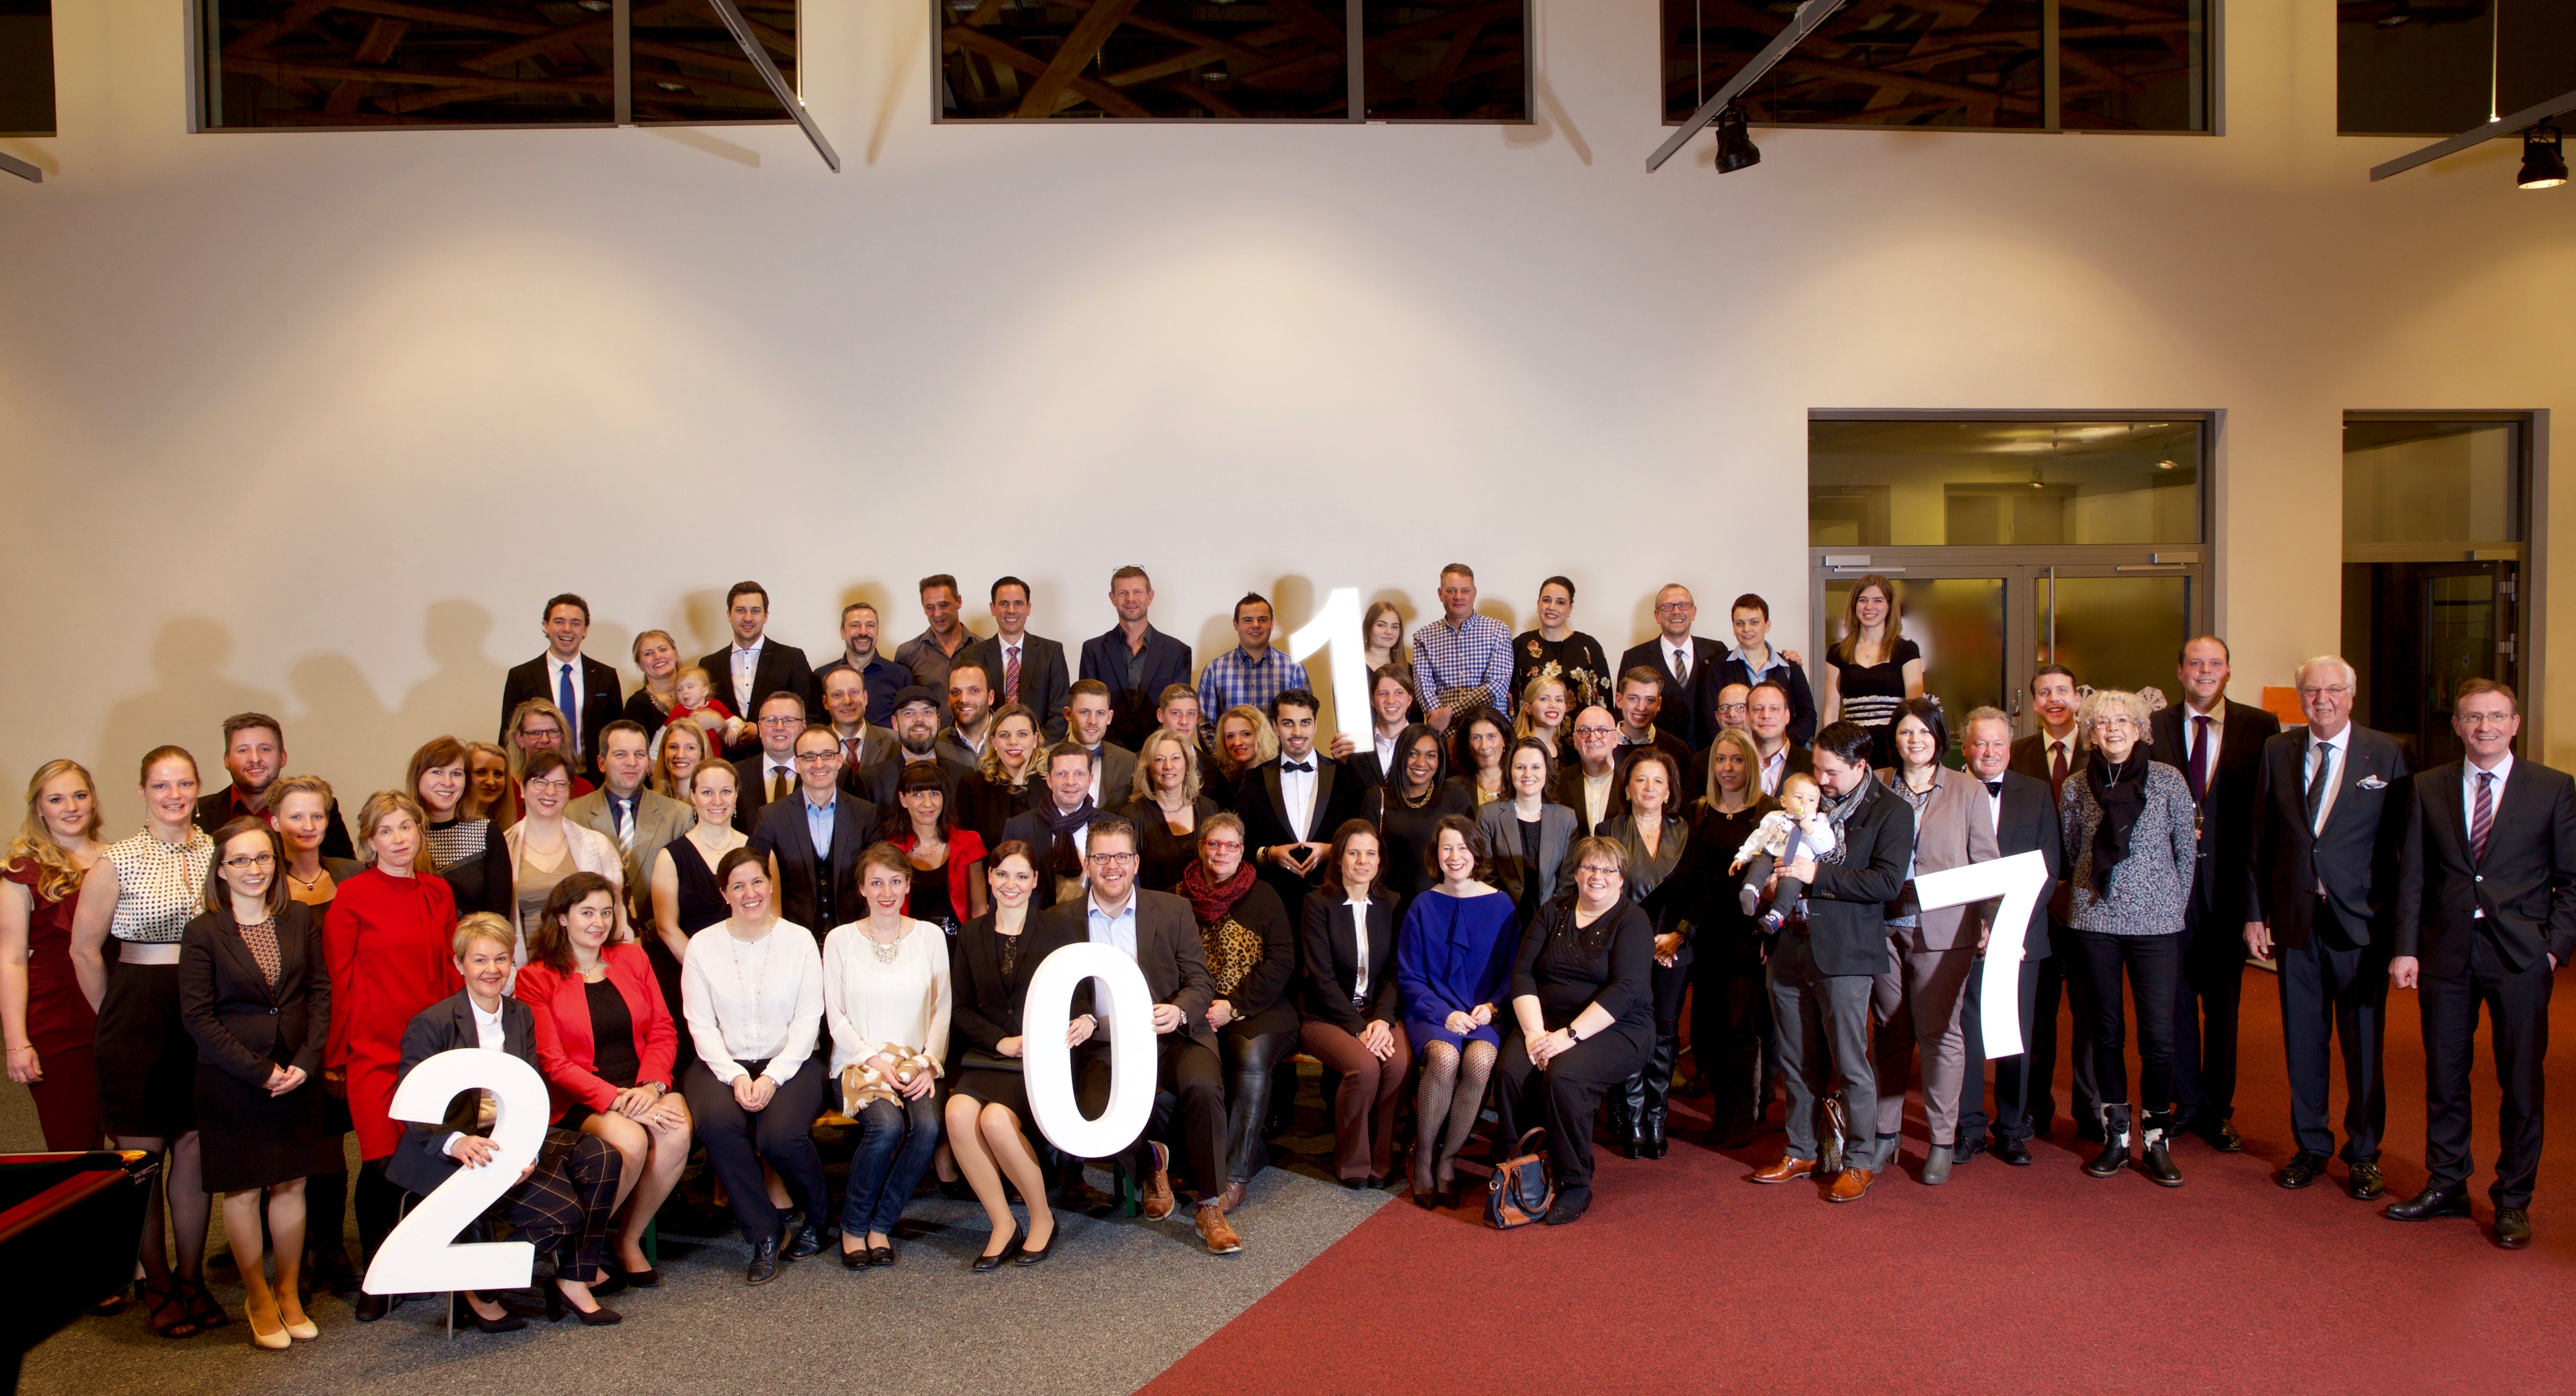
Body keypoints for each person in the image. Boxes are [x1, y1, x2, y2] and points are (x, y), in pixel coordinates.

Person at [2386, 679, 2576, 1248]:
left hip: (2520, 955)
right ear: (2457, 725)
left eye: (2495, 717)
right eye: (2473, 717)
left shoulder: (2553, 787)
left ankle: (2513, 1199)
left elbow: (2571, 878)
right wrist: (2405, 947)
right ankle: (2447, 1183)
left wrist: (2553, 947)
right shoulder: (2427, 786)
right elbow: (2412, 874)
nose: (2484, 727)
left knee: (2520, 1081)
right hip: (2445, 952)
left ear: (2514, 724)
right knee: (2444, 1077)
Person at [389, 914, 624, 1330]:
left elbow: (529, 1089)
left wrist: (527, 1146)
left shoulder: (519, 1014)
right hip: (455, 1146)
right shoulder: (433, 1023)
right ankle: (477, 1288)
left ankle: (573, 1279)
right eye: (479, 960)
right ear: (459, 963)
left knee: (602, 1155)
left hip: (507, 1134)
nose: (492, 969)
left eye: (501, 958)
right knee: (562, 1215)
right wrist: (456, 1142)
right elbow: (413, 1106)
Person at [2245, 655, 2409, 1198]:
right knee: (2302, 1040)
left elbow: (2404, 849)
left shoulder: (2387, 752)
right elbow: (2260, 840)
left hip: (2360, 924)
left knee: (2362, 1045)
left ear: (2351, 695)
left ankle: (2363, 1154)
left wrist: (2402, 932)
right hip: (2296, 921)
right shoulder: (2278, 750)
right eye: (2312, 691)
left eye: (2333, 690)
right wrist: (2254, 912)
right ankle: (2311, 1146)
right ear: (2301, 698)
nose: (2322, 700)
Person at [69, 747, 220, 1337]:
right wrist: (111, 1016)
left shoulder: (218, 851)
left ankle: (192, 1278)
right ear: (142, 792)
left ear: (198, 787)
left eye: (183, 783)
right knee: (143, 1159)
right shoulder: (118, 859)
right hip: (137, 1012)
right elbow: (84, 949)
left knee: (194, 1149)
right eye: (161, 785)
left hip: (204, 1011)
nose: (173, 795)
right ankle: (157, 1283)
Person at [1043, 818, 1241, 1254]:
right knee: (1094, 1112)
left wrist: (1179, 1010)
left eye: (1121, 856)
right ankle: (1152, 1161)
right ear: (1086, 864)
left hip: (1171, 1036)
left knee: (1203, 1086)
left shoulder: (1172, 909)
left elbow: (1200, 981)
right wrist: (1083, 1016)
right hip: (1105, 1044)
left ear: (1135, 862)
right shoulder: (1059, 920)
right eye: (1101, 857)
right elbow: (1057, 990)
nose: (1111, 866)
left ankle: (1209, 1206)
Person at [179, 818, 333, 1347]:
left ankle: (287, 1291)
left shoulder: (298, 919)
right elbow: (198, 1017)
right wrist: (259, 1070)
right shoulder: (203, 931)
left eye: (263, 857)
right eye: (240, 860)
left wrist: (307, 1060)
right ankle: (258, 1297)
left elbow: (320, 993)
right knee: (244, 1190)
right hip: (233, 1078)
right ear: (221, 869)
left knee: (291, 1184)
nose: (254, 868)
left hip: (297, 1072)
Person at [1750, 721, 1912, 1203]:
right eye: (1817, 768)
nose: (1820, 780)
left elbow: (1886, 883)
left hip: (1845, 951)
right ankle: (1801, 1150)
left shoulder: (1891, 810)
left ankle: (1859, 1160)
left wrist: (1816, 874)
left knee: (1850, 1060)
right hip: (1789, 944)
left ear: (1860, 766)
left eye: (1831, 772)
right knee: (1796, 1058)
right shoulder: (1799, 800)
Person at [319, 790, 461, 1322]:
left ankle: (418, 1262)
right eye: (386, 830)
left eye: (406, 827)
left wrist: (463, 1037)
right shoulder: (352, 895)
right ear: (369, 841)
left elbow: (451, 969)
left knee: (431, 1156)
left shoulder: (438, 890)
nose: (399, 839)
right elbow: (338, 978)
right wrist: (336, 1055)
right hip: (374, 1049)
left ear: (420, 832)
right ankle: (378, 1277)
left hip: (432, 1046)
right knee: (381, 1162)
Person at [515, 872, 689, 1285]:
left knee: (678, 1130)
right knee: (630, 1141)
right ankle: (582, 1253)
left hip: (644, 1084)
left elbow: (663, 1029)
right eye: (587, 912)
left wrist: (651, 1086)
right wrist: (616, 1099)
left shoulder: (632, 957)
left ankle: (626, 1240)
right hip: (581, 1095)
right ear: (562, 917)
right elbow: (553, 1062)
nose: (598, 922)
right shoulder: (535, 977)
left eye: (606, 912)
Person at [2061, 689, 2198, 1186]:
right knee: (2105, 1033)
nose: (2113, 728)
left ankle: (2156, 1139)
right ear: (2090, 734)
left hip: (2156, 924)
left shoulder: (2167, 780)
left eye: (2123, 720)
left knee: (2158, 1037)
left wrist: (2171, 904)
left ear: (2140, 729)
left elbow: (2185, 851)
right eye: (2102, 722)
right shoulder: (2076, 786)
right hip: (2095, 920)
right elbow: (2072, 848)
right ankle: (2116, 1136)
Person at [2148, 636, 2278, 1153]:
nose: (2205, 671)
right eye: (2195, 663)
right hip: (2169, 887)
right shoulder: (2154, 726)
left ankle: (2218, 1109)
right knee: (2175, 1002)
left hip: (2228, 887)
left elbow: (2266, 814)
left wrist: (2259, 902)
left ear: (2228, 671)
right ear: (2180, 671)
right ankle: (2185, 1103)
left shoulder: (2260, 727)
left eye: (2215, 663)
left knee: (2224, 1006)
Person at [681, 849, 830, 1283]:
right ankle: (765, 1232)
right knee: (717, 1124)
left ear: (770, 884)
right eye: (738, 885)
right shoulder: (702, 945)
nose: (750, 893)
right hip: (720, 1061)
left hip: (792, 1060)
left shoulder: (799, 940)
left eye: (757, 882)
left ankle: (820, 1217)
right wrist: (734, 1075)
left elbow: (808, 1020)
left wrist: (772, 1076)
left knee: (779, 1137)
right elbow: (700, 1023)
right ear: (724, 893)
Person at [1868, 698, 1996, 1185]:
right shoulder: (1875, 782)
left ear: (1939, 737)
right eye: (1906, 732)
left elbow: (1986, 862)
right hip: (1881, 927)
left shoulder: (1967, 789)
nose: (1915, 740)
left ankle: (1942, 1139)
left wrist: (1992, 920)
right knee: (1889, 1030)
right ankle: (1885, 1134)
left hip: (1944, 929)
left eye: (1924, 731)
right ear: (1894, 739)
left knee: (1939, 1033)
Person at [1495, 836, 1654, 1226]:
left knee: (1564, 1077)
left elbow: (1625, 990)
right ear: (1577, 872)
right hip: (1545, 1021)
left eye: (1607, 869)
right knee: (1511, 1071)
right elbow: (1523, 972)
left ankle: (1575, 1179)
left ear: (1621, 878)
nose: (1597, 876)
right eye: (1589, 867)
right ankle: (1524, 1168)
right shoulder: (1553, 910)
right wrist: (1534, 1034)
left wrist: (1567, 1037)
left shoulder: (1632, 920)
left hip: (1616, 1026)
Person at [946, 842, 1080, 1268]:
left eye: (1022, 876)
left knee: (996, 1121)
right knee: (956, 1113)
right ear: (989, 877)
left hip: (1038, 1058)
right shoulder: (971, 934)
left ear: (1035, 881)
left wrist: (1082, 1022)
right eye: (1002, 874)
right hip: (990, 1055)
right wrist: (998, 1041)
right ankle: (1003, 1223)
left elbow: (1080, 997)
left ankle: (1042, 1218)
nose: (1011, 884)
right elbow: (960, 1009)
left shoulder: (1058, 929)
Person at [823, 845, 951, 1267]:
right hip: (858, 1062)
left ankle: (880, 1225)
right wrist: (873, 1060)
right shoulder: (839, 940)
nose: (886, 892)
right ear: (862, 888)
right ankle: (853, 1227)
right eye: (876, 882)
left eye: (896, 881)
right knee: (886, 1126)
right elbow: (836, 1015)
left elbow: (942, 1009)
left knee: (927, 1127)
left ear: (908, 885)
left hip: (916, 1063)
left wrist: (928, 1062)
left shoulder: (930, 936)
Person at [1954, 707, 2064, 1168]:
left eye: (1998, 743)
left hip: (2021, 935)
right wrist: (1975, 925)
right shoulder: (1948, 789)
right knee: (1966, 1037)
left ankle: (2013, 1128)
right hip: (1961, 933)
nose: (1989, 752)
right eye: (1980, 743)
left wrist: (2008, 926)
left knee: (2015, 1034)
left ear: (2010, 747)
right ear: (1965, 747)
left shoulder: (2036, 792)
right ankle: (1967, 1128)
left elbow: (2048, 867)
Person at [1175, 813, 1298, 1213]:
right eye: (1213, 843)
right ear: (1201, 847)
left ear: (1242, 850)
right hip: (1196, 1008)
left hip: (1259, 1007)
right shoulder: (1176, 896)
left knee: (1249, 1058)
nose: (1221, 852)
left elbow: (1282, 960)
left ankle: (1234, 1174)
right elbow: (1165, 958)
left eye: (1231, 845)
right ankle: (1192, 1161)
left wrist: (1234, 1005)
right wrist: (1194, 1005)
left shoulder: (1264, 895)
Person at [1395, 818, 1518, 1208]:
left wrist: (1493, 1006)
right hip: (1430, 1011)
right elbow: (1409, 976)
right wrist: (1443, 1013)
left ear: (1477, 852)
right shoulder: (1422, 904)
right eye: (1446, 847)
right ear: (1435, 854)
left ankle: (1449, 1158)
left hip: (1484, 1013)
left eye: (1463, 847)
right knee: (1446, 1057)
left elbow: (1513, 971)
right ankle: (1424, 1156)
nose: (1455, 856)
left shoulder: (1502, 905)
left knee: (1480, 1060)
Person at [2009, 663, 2096, 1141]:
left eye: (2062, 690)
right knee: (2036, 1013)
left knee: (2090, 1013)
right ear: (2034, 702)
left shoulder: (2101, 748)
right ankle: (2032, 1107)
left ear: (2078, 696)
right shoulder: (2017, 753)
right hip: (2035, 903)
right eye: (2044, 692)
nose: (2054, 699)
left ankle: (2090, 1109)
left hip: (2089, 901)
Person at [3, 760, 107, 1153]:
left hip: (120, 1009)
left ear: (93, 800)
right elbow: (11, 960)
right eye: (56, 799)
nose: (71, 807)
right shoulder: (22, 871)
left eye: (80, 795)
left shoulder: (120, 858)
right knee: (75, 1145)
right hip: (59, 1017)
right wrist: (16, 1043)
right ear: (38, 808)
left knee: (138, 1143)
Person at [1298, 822, 1408, 1189]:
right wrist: (1360, 1028)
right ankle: (1352, 1162)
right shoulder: (1318, 903)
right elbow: (1321, 978)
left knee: (1397, 1064)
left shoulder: (1392, 902)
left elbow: (1393, 972)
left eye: (1370, 853)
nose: (1363, 860)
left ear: (1380, 861)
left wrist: (1382, 1019)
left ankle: (1381, 1161)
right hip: (1325, 1014)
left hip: (1375, 1012)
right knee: (1364, 1067)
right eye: (1353, 852)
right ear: (1339, 859)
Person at [1599, 748, 1692, 1160]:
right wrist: (1641, 941)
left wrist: (1679, 935)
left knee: (1666, 1033)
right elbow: (1600, 893)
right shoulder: (1608, 829)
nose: (1649, 787)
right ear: (1627, 787)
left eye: (1658, 780)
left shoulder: (1687, 830)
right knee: (1628, 1029)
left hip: (1675, 948)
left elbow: (1698, 890)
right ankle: (1631, 1119)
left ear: (1669, 789)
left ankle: (1656, 1117)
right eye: (1640, 779)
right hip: (1626, 947)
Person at [1684, 727, 1774, 1149]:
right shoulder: (1699, 811)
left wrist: (1769, 934)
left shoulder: (1767, 813)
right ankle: (1722, 1112)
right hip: (1707, 937)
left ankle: (1744, 1115)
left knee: (1739, 1026)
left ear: (1750, 765)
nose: (1727, 767)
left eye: (1737, 759)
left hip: (1747, 936)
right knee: (1707, 1030)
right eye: (1721, 759)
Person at [648, 760, 750, 1075]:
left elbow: (772, 921)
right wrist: (708, 975)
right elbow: (666, 927)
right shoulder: (671, 856)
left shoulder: (758, 850)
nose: (717, 801)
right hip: (693, 976)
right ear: (692, 796)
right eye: (707, 792)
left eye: (725, 791)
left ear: (736, 795)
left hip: (751, 977)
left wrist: (744, 975)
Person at [749, 724, 878, 943]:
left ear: (839, 760)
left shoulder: (867, 814)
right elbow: (758, 881)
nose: (819, 764)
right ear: (797, 764)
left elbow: (877, 879)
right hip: (792, 941)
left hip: (856, 938)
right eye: (809, 757)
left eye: (827, 755)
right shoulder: (770, 817)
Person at [1238, 691, 1360, 915]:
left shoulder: (1344, 775)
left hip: (1332, 898)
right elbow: (1241, 843)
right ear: (1275, 727)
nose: (1297, 732)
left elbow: (1361, 835)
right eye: (1288, 723)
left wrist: (1332, 850)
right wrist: (1270, 854)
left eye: (1305, 723)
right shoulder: (1254, 779)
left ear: (1315, 725)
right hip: (1274, 902)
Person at [567, 720, 695, 931]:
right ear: (601, 762)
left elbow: (688, 892)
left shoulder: (679, 816)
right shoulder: (572, 814)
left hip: (658, 938)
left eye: (639, 754)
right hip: (591, 938)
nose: (632, 762)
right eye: (621, 754)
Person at [507, 749, 627, 955]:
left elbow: (620, 918)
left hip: (586, 966)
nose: (551, 791)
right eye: (540, 782)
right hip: (526, 966)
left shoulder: (597, 845)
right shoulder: (504, 847)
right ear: (523, 789)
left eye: (560, 784)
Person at [191, 713, 355, 859]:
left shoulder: (320, 808)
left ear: (283, 758)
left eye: (265, 749)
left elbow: (344, 873)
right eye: (243, 750)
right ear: (226, 761)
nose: (255, 759)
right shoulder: (196, 813)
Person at [499, 594, 624, 778]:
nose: (567, 629)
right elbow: (508, 737)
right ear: (546, 626)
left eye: (575, 623)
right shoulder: (521, 676)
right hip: (538, 777)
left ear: (585, 630)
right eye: (559, 622)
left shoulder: (606, 676)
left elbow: (618, 735)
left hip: (595, 779)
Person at [1081, 567, 1194, 750]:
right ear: (1112, 598)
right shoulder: (1093, 650)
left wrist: (1156, 748)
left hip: (1159, 752)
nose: (1131, 599)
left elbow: (1178, 710)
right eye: (1123, 593)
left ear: (1150, 597)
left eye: (1138, 592)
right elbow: (1088, 708)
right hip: (1108, 753)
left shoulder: (1178, 652)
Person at [701, 580, 818, 754]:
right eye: (741, 610)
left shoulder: (792, 658)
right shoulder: (709, 665)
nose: (748, 618)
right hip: (725, 763)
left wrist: (765, 729)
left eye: (755, 611)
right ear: (729, 615)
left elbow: (812, 717)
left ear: (765, 616)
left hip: (779, 760)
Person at [1818, 575, 1922, 769]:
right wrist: (1830, 752)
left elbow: (1915, 710)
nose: (1869, 607)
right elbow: (1831, 712)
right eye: (1863, 600)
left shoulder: (1906, 650)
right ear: (1854, 605)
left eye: (1878, 601)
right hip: (1853, 749)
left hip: (1894, 748)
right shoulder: (1837, 653)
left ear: (1889, 607)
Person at [1365, 724, 1476, 906]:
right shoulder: (1377, 798)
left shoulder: (1455, 795)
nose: (1421, 763)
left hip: (1446, 902)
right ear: (1401, 755)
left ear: (1440, 760)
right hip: (1390, 905)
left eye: (1431, 756)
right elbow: (1366, 856)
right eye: (1413, 754)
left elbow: (1470, 854)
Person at [409, 737, 514, 921]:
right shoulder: (402, 834)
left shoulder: (486, 834)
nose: (448, 782)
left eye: (456, 774)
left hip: (473, 939)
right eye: (437, 772)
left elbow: (498, 918)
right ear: (417, 777)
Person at [1001, 743, 1112, 910]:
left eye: (1079, 774)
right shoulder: (1019, 828)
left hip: (1096, 923)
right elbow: (1003, 891)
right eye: (1061, 774)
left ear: (1090, 779)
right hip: (1036, 923)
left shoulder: (1114, 827)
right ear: (1049, 780)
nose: (1071, 782)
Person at [1619, 584, 1726, 750]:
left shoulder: (1717, 652)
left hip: (1710, 755)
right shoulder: (1634, 658)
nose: (1676, 612)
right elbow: (1624, 716)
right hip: (1654, 756)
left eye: (1683, 605)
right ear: (1657, 615)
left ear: (1693, 612)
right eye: (1668, 607)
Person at [884, 760, 988, 930]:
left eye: (934, 794)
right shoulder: (892, 851)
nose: (927, 803)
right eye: (917, 795)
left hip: (959, 942)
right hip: (909, 941)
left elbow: (979, 911)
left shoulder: (969, 843)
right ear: (903, 799)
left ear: (944, 797)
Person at [963, 577, 1070, 739]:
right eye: (1004, 604)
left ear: (1028, 608)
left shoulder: (1051, 652)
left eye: (1018, 603)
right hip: (988, 749)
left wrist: (1034, 747)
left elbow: (1060, 714)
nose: (1011, 610)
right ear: (993, 608)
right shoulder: (973, 656)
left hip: (1040, 749)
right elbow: (969, 712)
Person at [1479, 737, 1574, 919]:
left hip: (1551, 917)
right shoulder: (1488, 815)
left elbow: (1567, 882)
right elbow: (1485, 875)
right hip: (1501, 916)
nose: (1528, 774)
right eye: (1520, 767)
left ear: (1547, 771)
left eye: (1536, 767)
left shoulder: (1567, 818)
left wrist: (1552, 919)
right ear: (1510, 771)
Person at [1410, 563, 1513, 732]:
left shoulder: (1498, 631)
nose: (1458, 597)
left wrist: (1450, 713)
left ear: (1474, 593)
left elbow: (1496, 687)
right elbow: (1425, 690)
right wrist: (1443, 723)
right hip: (1445, 732)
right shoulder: (1423, 637)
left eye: (1465, 591)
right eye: (1451, 591)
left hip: (1492, 729)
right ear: (1440, 594)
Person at [1121, 727, 1218, 893]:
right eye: (1159, 760)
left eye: (1176, 758)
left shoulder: (1210, 808)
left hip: (1209, 905)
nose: (1168, 766)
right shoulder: (1131, 817)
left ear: (1187, 765)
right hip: (1157, 907)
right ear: (1148, 768)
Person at [1714, 593, 1816, 747]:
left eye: (1754, 622)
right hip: (1736, 753)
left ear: (1767, 625)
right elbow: (1711, 717)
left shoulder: (1789, 666)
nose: (1747, 629)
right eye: (1740, 623)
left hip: (1785, 754)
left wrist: (1782, 748)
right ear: (1734, 628)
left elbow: (1807, 715)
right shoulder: (1719, 667)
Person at [856, 684, 978, 811]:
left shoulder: (963, 776)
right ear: (895, 723)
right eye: (909, 713)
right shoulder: (872, 782)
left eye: (927, 712)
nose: (919, 719)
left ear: (938, 721)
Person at [1734, 773, 1831, 930]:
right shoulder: (1774, 817)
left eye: (1811, 800)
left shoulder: (1819, 822)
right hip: (1771, 854)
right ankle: (1751, 891)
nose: (1804, 803)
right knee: (1759, 863)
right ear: (1784, 801)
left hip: (1795, 866)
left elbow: (1827, 846)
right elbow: (1758, 837)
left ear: (1817, 806)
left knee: (1790, 886)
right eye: (1798, 797)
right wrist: (1742, 857)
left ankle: (1777, 915)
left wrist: (1811, 831)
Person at [1197, 593, 1311, 724]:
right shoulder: (1214, 670)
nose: (1256, 625)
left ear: (1272, 623)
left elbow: (1303, 724)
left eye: (1262, 620)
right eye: (1248, 620)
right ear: (1236, 624)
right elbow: (1206, 725)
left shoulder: (1294, 669)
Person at [1509, 575, 1610, 716]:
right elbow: (1510, 700)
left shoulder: (1589, 647)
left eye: (1560, 602)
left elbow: (1604, 703)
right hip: (1530, 729)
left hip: (1580, 730)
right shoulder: (1520, 646)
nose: (1552, 607)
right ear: (1538, 605)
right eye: (1547, 600)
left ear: (1570, 610)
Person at [813, 600, 915, 727]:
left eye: (870, 625)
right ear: (843, 632)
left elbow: (909, 723)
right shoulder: (822, 676)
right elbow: (816, 725)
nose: (863, 632)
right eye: (855, 625)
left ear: (877, 632)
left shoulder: (900, 675)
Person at [959, 703, 1045, 849]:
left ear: (1035, 739)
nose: (1013, 742)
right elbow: (967, 848)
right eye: (1004, 735)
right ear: (993, 741)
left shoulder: (1051, 785)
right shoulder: (972, 785)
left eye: (1022, 734)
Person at [501, 697, 596, 823]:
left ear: (562, 736)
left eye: (552, 732)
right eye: (535, 733)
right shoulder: (504, 789)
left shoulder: (584, 790)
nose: (545, 740)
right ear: (519, 739)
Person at [733, 690, 813, 834]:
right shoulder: (735, 775)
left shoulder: (822, 772)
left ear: (803, 727)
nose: (779, 728)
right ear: (760, 727)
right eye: (771, 720)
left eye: (789, 720)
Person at [1329, 665, 1420, 788]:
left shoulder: (1429, 744)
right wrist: (1340, 765)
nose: (1391, 700)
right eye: (1383, 694)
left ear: (1409, 699)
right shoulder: (1355, 749)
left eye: (1399, 693)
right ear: (1372, 700)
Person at [895, 574, 976, 700]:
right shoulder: (907, 654)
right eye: (930, 607)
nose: (937, 614)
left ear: (959, 601)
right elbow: (902, 705)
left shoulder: (984, 649)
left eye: (943, 605)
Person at [1549, 705, 1626, 836]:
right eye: (1584, 730)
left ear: (1615, 739)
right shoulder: (1557, 783)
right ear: (1575, 741)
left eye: (1601, 730)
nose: (1593, 738)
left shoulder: (1631, 780)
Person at [1064, 680, 1139, 807]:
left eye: (1100, 713)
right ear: (1068, 714)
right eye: (1085, 712)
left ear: (1109, 717)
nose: (1093, 721)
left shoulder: (1128, 761)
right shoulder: (1045, 759)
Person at [820, 665, 899, 775]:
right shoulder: (814, 745)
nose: (847, 701)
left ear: (865, 698)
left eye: (854, 692)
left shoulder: (895, 742)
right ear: (826, 703)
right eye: (837, 695)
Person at [1612, 667, 1693, 768]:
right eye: (1633, 699)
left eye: (1649, 700)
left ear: (1659, 704)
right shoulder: (1601, 746)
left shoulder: (1678, 750)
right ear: (1619, 701)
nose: (1641, 708)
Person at [1203, 704, 1276, 812]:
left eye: (1246, 734)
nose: (1237, 742)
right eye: (1230, 736)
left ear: (1262, 736)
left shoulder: (1278, 776)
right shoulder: (1222, 783)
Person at [1746, 680, 1813, 798]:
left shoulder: (1812, 765)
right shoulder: (1734, 764)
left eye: (1774, 709)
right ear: (1747, 717)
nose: (1766, 715)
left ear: (1787, 716)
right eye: (1758, 709)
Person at [663, 666, 749, 752]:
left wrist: (733, 731)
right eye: (679, 689)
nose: (684, 692)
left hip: (715, 755)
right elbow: (664, 732)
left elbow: (736, 722)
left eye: (690, 687)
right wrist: (657, 753)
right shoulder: (678, 710)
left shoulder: (715, 705)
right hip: (688, 755)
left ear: (705, 691)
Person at [621, 629, 685, 733]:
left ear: (676, 654)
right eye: (648, 654)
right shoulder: (637, 705)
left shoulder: (700, 691)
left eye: (663, 650)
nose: (658, 657)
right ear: (640, 665)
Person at [940, 661, 999, 767]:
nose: (964, 700)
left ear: (990, 697)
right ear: (948, 699)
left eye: (974, 691)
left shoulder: (1015, 742)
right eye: (956, 692)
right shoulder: (937, 746)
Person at [1453, 709, 1511, 807]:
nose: (1484, 746)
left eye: (1491, 736)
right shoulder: (1453, 788)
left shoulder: (1519, 783)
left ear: (1504, 741)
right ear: (1468, 744)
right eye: (1476, 738)